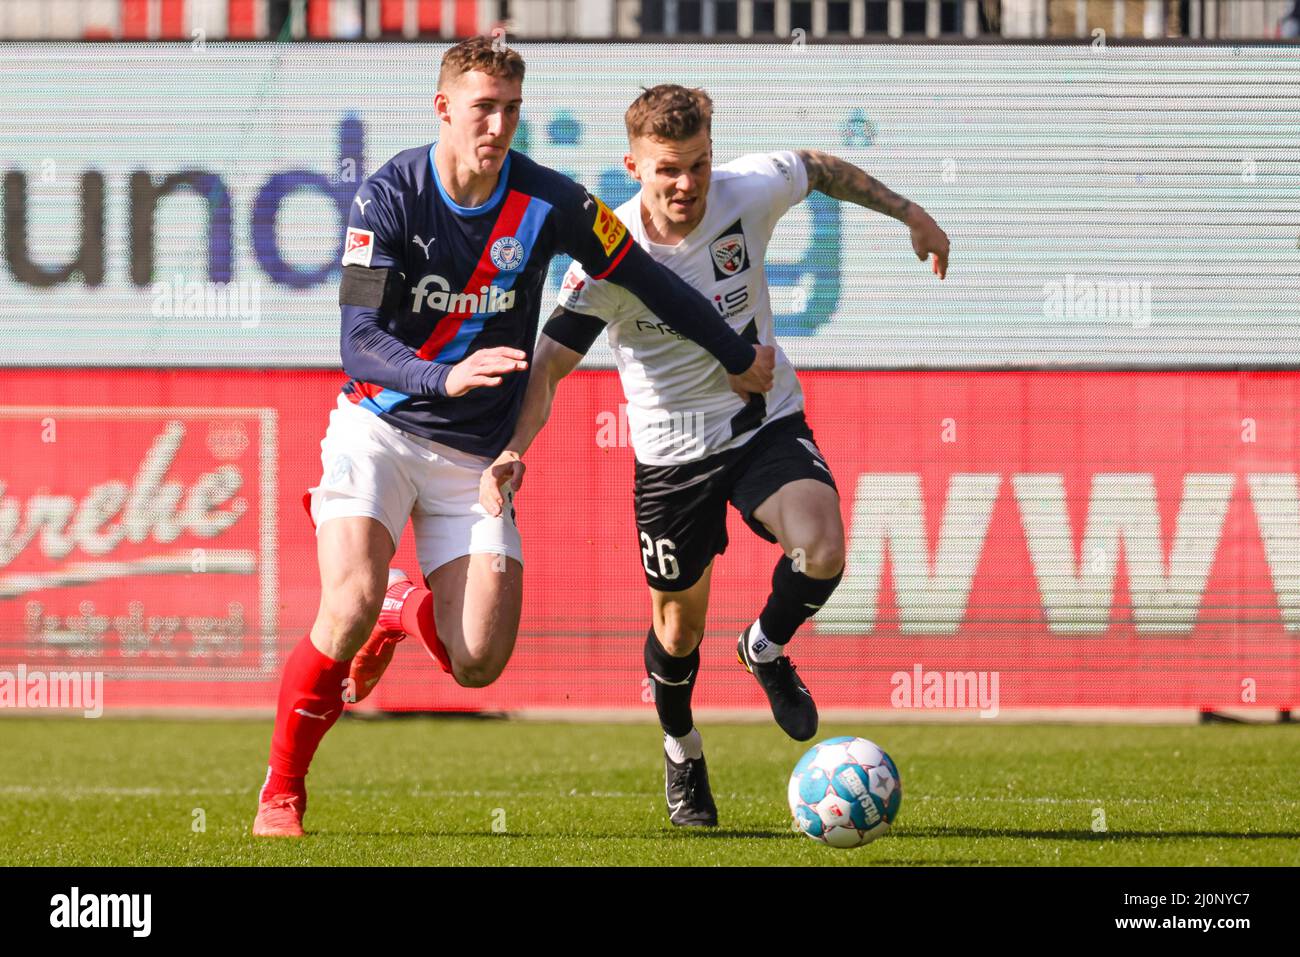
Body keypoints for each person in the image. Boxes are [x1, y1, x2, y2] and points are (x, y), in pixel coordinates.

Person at [252, 45, 775, 837]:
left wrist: (736, 356)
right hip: (380, 426)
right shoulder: (390, 194)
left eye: (511, 108)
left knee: (479, 664)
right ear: (445, 109)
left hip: (476, 459)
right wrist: (441, 377)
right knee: (346, 601)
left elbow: (646, 277)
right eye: (482, 107)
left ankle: (403, 606)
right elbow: (357, 338)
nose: (498, 124)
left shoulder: (551, 200)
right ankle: (282, 791)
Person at [480, 84, 948, 826]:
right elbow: (547, 370)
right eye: (668, 169)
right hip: (671, 457)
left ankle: (765, 647)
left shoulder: (745, 191)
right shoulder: (604, 258)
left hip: (762, 421)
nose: (686, 184)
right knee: (677, 632)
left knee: (823, 546)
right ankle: (682, 752)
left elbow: (821, 168)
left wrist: (910, 213)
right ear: (632, 166)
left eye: (697, 164)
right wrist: (510, 450)